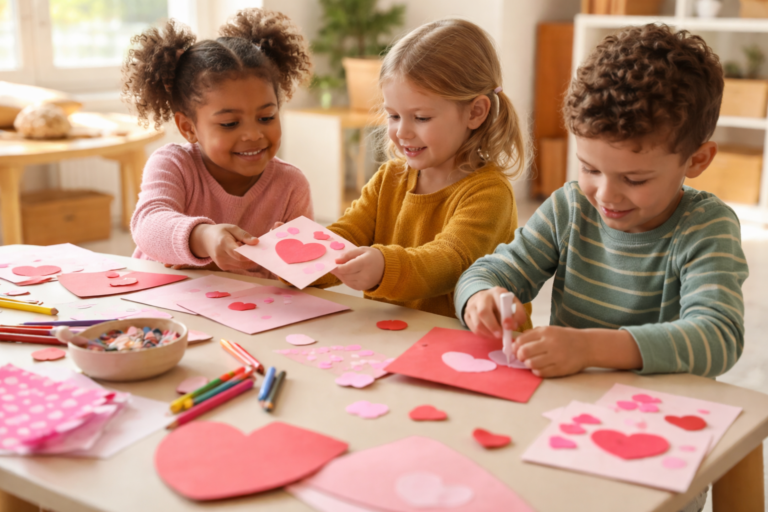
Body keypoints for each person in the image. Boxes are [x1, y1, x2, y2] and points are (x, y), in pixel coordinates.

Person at [456, 24, 746, 388]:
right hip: (570, 401)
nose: (606, 195)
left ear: (697, 160)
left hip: (661, 407)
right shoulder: (570, 207)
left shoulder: (706, 227)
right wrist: (480, 298)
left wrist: (589, 348)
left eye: (634, 179)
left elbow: (718, 338)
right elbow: (486, 272)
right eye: (590, 169)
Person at [310, 18, 531, 322]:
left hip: (471, 342)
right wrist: (295, 255)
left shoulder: (489, 193)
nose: (402, 132)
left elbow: (449, 261)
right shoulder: (389, 178)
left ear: (475, 112)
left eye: (421, 118)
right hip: (395, 335)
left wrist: (384, 267)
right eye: (393, 116)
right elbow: (346, 236)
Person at [122, 8, 313, 276]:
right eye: (230, 123)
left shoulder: (291, 185)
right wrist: (204, 237)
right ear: (188, 128)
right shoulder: (173, 164)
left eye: (266, 117)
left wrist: (286, 259)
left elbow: (303, 274)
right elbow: (148, 224)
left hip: (248, 302)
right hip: (160, 298)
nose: (253, 134)